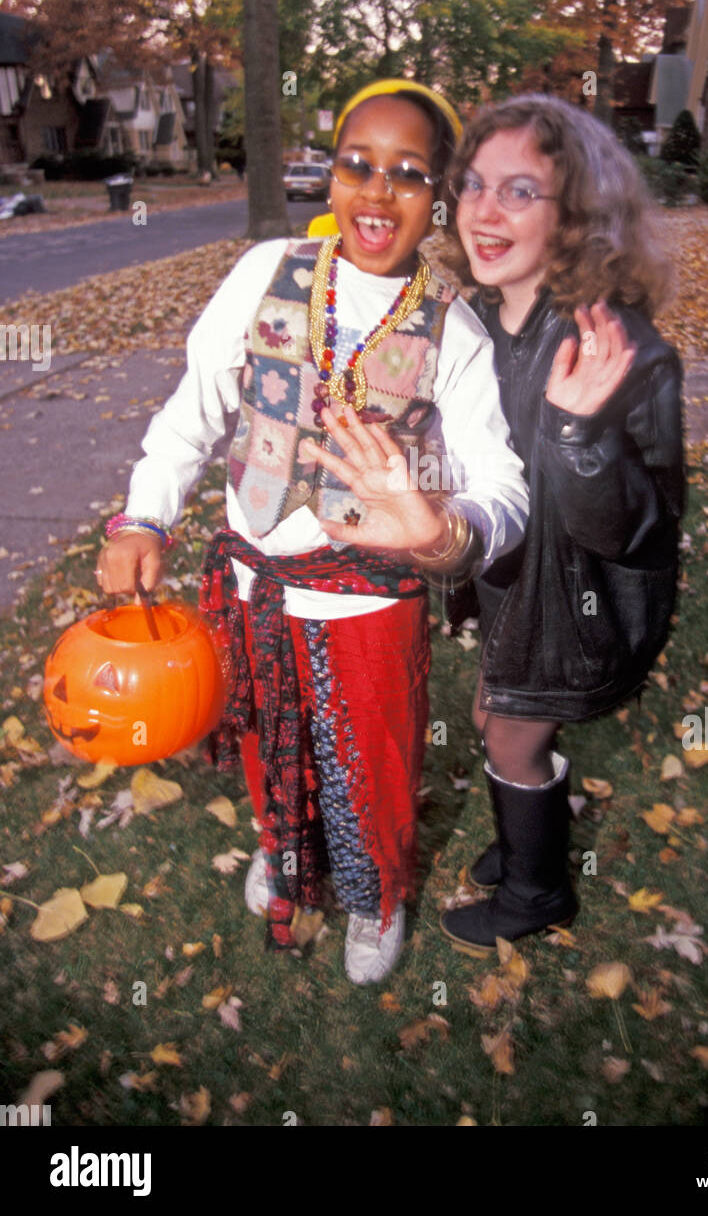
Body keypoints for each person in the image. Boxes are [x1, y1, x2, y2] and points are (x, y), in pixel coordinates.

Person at [94, 78, 528, 984]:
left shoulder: (456, 332)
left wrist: (442, 532)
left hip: (368, 603)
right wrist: (144, 514)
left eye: (407, 174)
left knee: (368, 763)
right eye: (356, 166)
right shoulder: (266, 272)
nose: (376, 192)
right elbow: (194, 411)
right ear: (329, 177)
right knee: (265, 740)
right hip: (251, 586)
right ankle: (286, 852)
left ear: (439, 196)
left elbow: (503, 488)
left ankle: (375, 897)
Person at [438, 93, 685, 954]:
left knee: (507, 730)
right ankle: (536, 811)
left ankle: (538, 891)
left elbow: (626, 527)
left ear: (577, 214)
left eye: (517, 191)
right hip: (514, 579)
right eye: (472, 185)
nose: (483, 209)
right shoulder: (478, 324)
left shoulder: (618, 349)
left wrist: (579, 436)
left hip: (579, 595)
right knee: (491, 718)